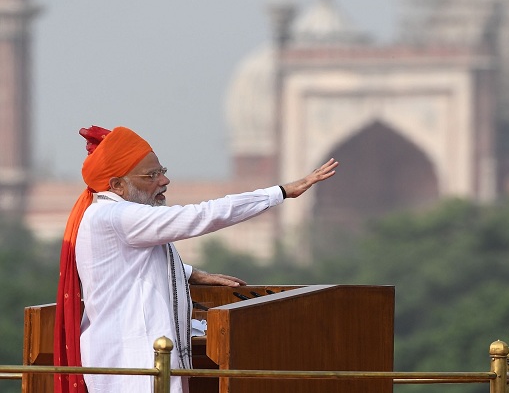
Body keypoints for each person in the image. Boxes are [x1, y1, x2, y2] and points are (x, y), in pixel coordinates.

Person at [53, 126, 338, 393]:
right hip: (133, 362)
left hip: (137, 359)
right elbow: (201, 216)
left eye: (162, 171)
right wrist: (280, 192)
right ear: (117, 185)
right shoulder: (117, 216)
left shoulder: (107, 214)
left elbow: (127, 266)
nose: (164, 181)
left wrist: (189, 274)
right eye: (151, 176)